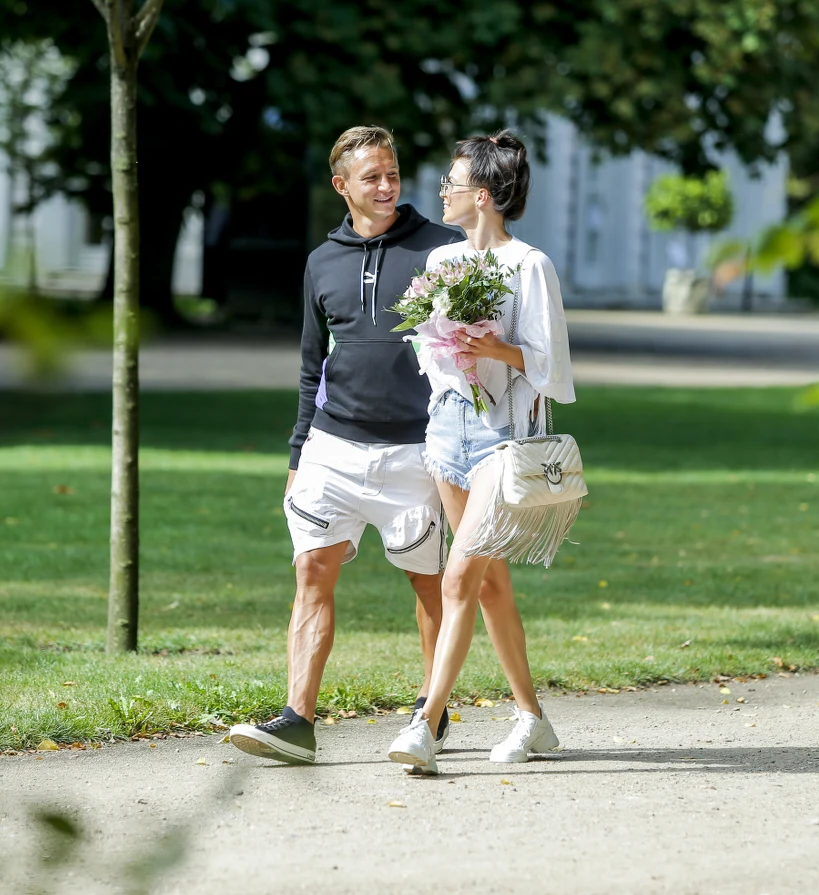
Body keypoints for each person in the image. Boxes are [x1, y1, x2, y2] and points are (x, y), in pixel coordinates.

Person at [229, 126, 460, 764]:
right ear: (342, 187)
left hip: (416, 451)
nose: (387, 186)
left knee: (429, 583)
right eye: (372, 177)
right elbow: (312, 368)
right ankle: (297, 720)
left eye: (392, 173)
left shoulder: (443, 250)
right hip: (332, 447)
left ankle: (430, 712)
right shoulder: (320, 262)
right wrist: (297, 455)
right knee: (311, 572)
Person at [387, 130, 575, 775]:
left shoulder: (529, 265)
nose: (442, 190)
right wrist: (441, 343)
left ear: (484, 196)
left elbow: (552, 367)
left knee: (460, 576)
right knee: (492, 584)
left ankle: (424, 724)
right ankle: (533, 718)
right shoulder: (443, 263)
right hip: (448, 432)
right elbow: (426, 349)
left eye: (453, 182)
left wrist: (490, 347)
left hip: (503, 439)